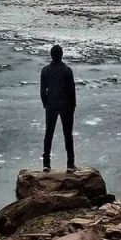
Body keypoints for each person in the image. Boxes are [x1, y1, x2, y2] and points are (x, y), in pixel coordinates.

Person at [40, 44, 76, 173]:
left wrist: (45, 103)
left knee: (48, 134)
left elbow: (43, 90)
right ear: (61, 55)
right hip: (66, 105)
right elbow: (72, 90)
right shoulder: (67, 70)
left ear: (51, 55)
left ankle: (46, 164)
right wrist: (73, 106)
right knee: (68, 135)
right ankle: (70, 164)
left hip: (51, 105)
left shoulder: (45, 70)